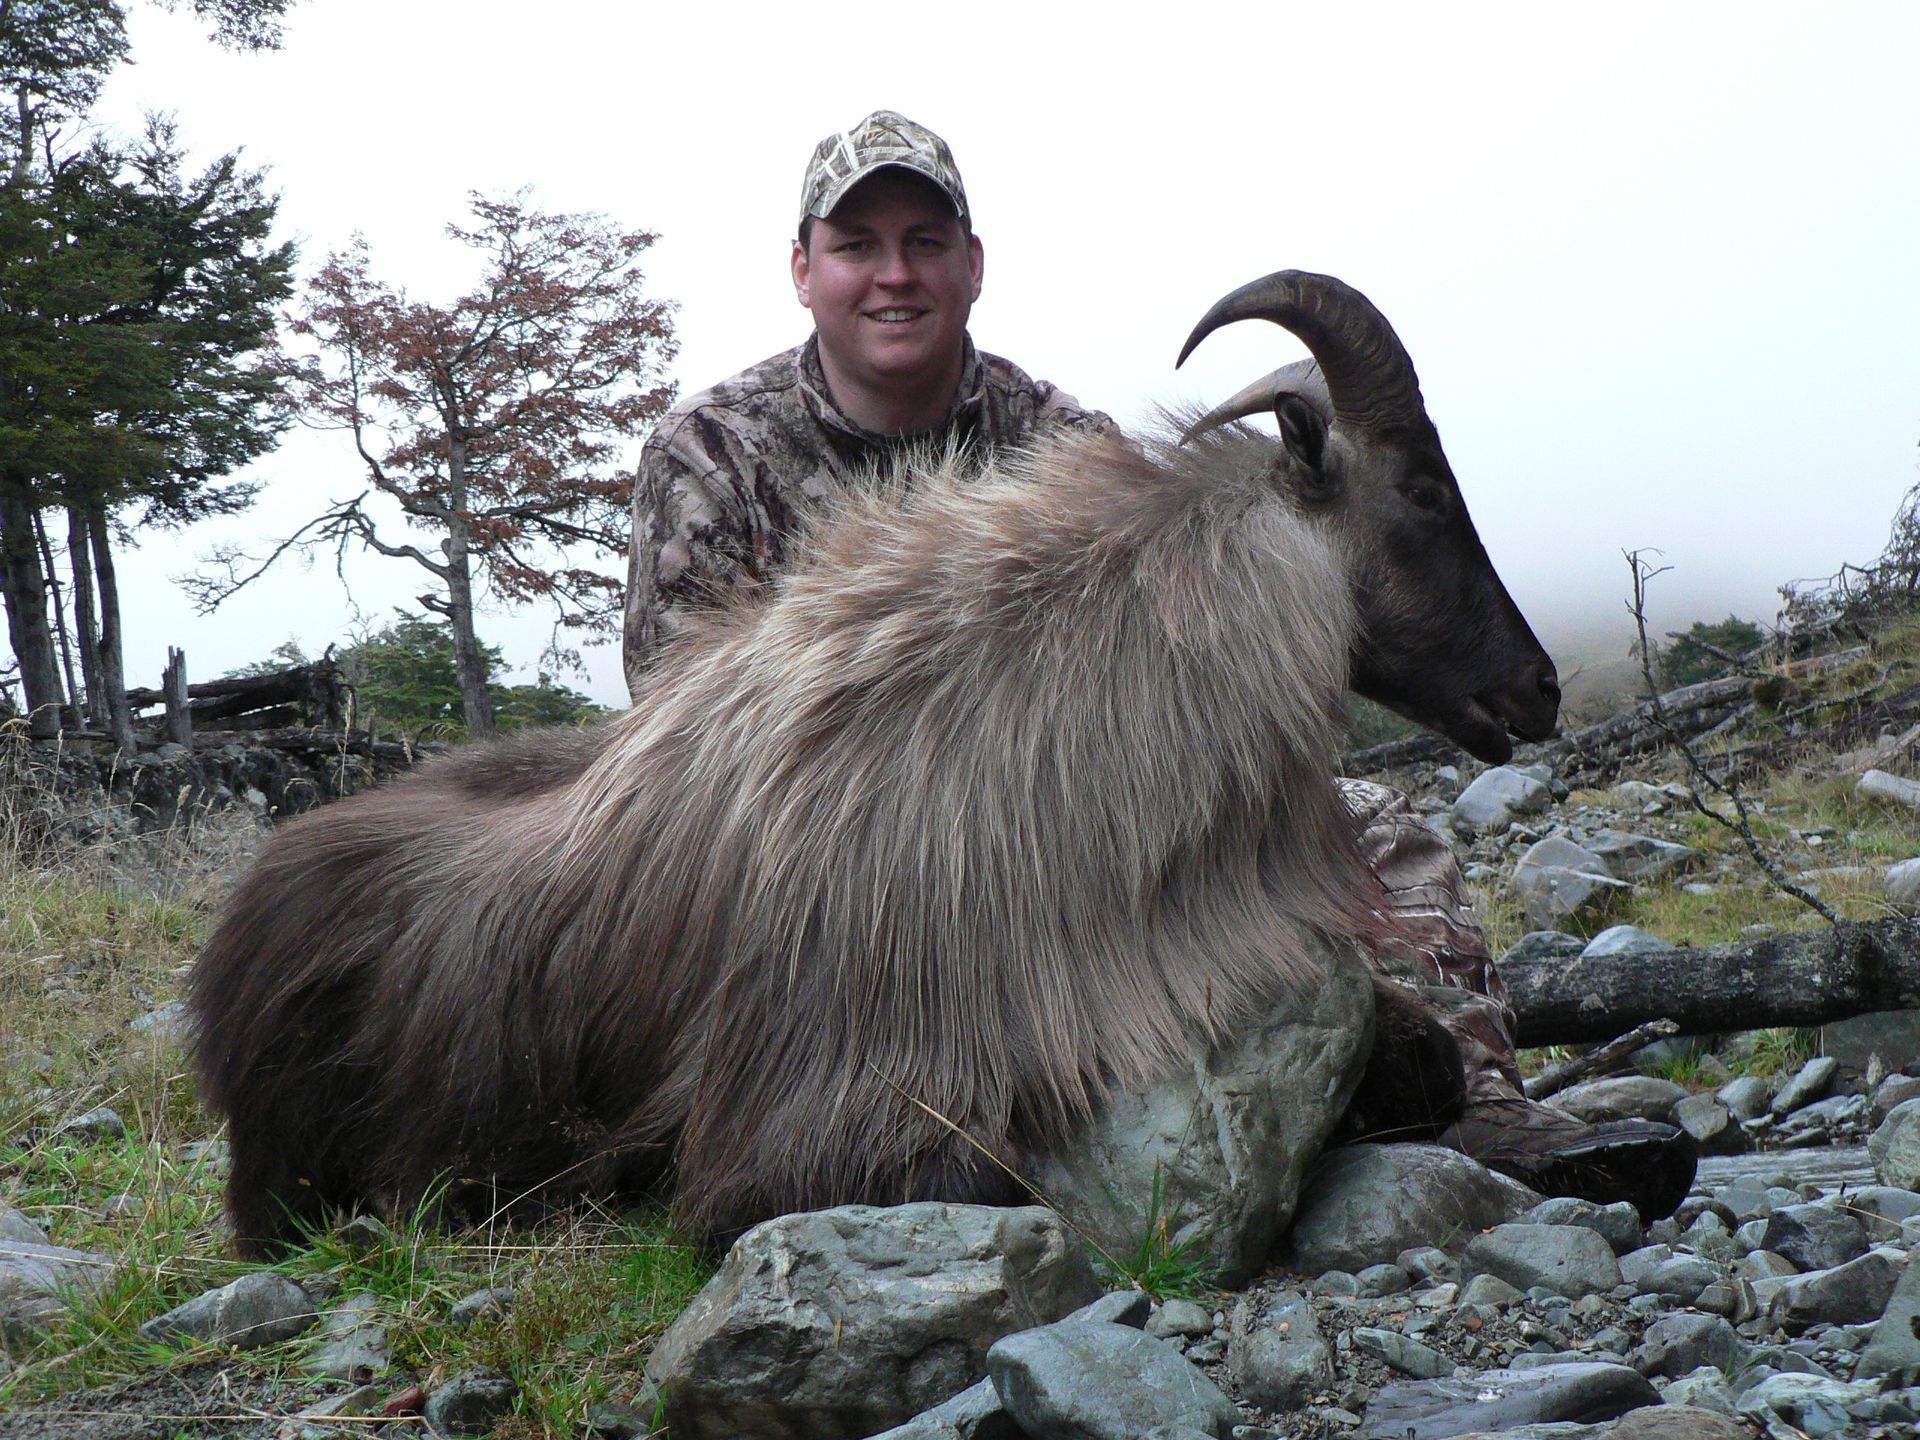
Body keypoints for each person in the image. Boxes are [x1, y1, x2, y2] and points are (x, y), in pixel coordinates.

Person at [623, 110, 1696, 1220]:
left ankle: (1482, 1115)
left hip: (1068, 828)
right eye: (858, 247)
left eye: (926, 243)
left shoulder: (1064, 446)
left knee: (1369, 822)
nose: (895, 276)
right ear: (804, 271)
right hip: (823, 872)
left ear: (972, 264)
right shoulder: (713, 453)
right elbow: (678, 758)